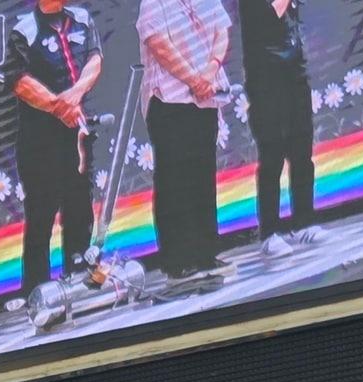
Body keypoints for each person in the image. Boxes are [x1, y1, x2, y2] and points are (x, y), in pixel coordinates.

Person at [3, 0, 104, 297]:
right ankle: (37, 292)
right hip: (39, 141)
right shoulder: (24, 29)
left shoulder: (82, 19)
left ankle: (80, 278)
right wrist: (56, 106)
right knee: (41, 216)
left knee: (80, 206)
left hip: (77, 135)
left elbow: (95, 59)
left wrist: (75, 94)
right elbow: (18, 81)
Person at [137, 0, 234, 280]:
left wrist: (209, 72)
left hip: (207, 96)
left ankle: (205, 254)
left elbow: (222, 30)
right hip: (168, 101)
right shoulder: (152, 3)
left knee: (202, 175)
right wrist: (194, 80)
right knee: (174, 182)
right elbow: (158, 45)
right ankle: (177, 261)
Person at [238, 0, 328, 258]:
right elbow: (269, 16)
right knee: (272, 156)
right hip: (265, 79)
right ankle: (270, 232)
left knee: (302, 150)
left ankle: (304, 222)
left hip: (295, 73)